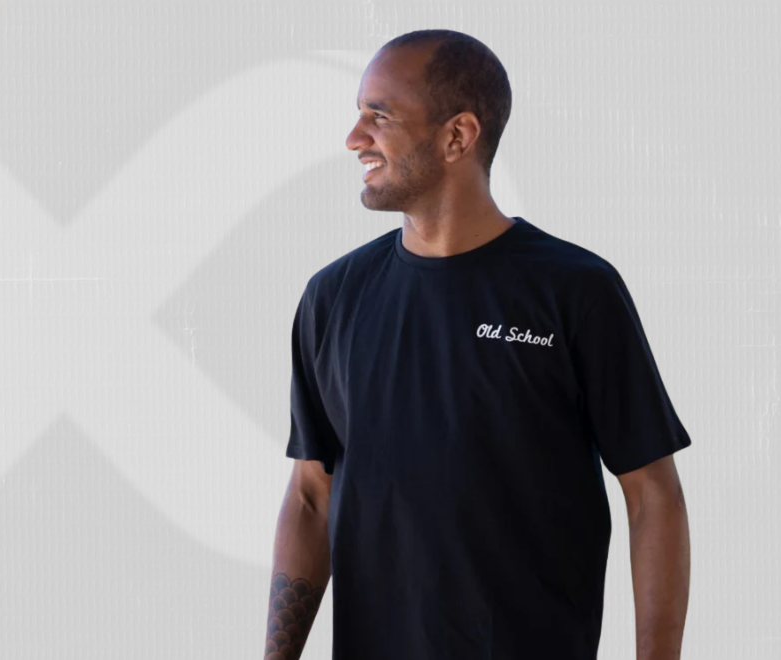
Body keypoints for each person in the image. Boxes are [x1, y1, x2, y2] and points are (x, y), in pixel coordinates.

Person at [266, 29, 692, 660]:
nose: (355, 139)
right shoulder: (333, 297)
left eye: (379, 117)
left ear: (458, 136)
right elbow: (310, 496)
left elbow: (652, 496)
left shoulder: (575, 290)